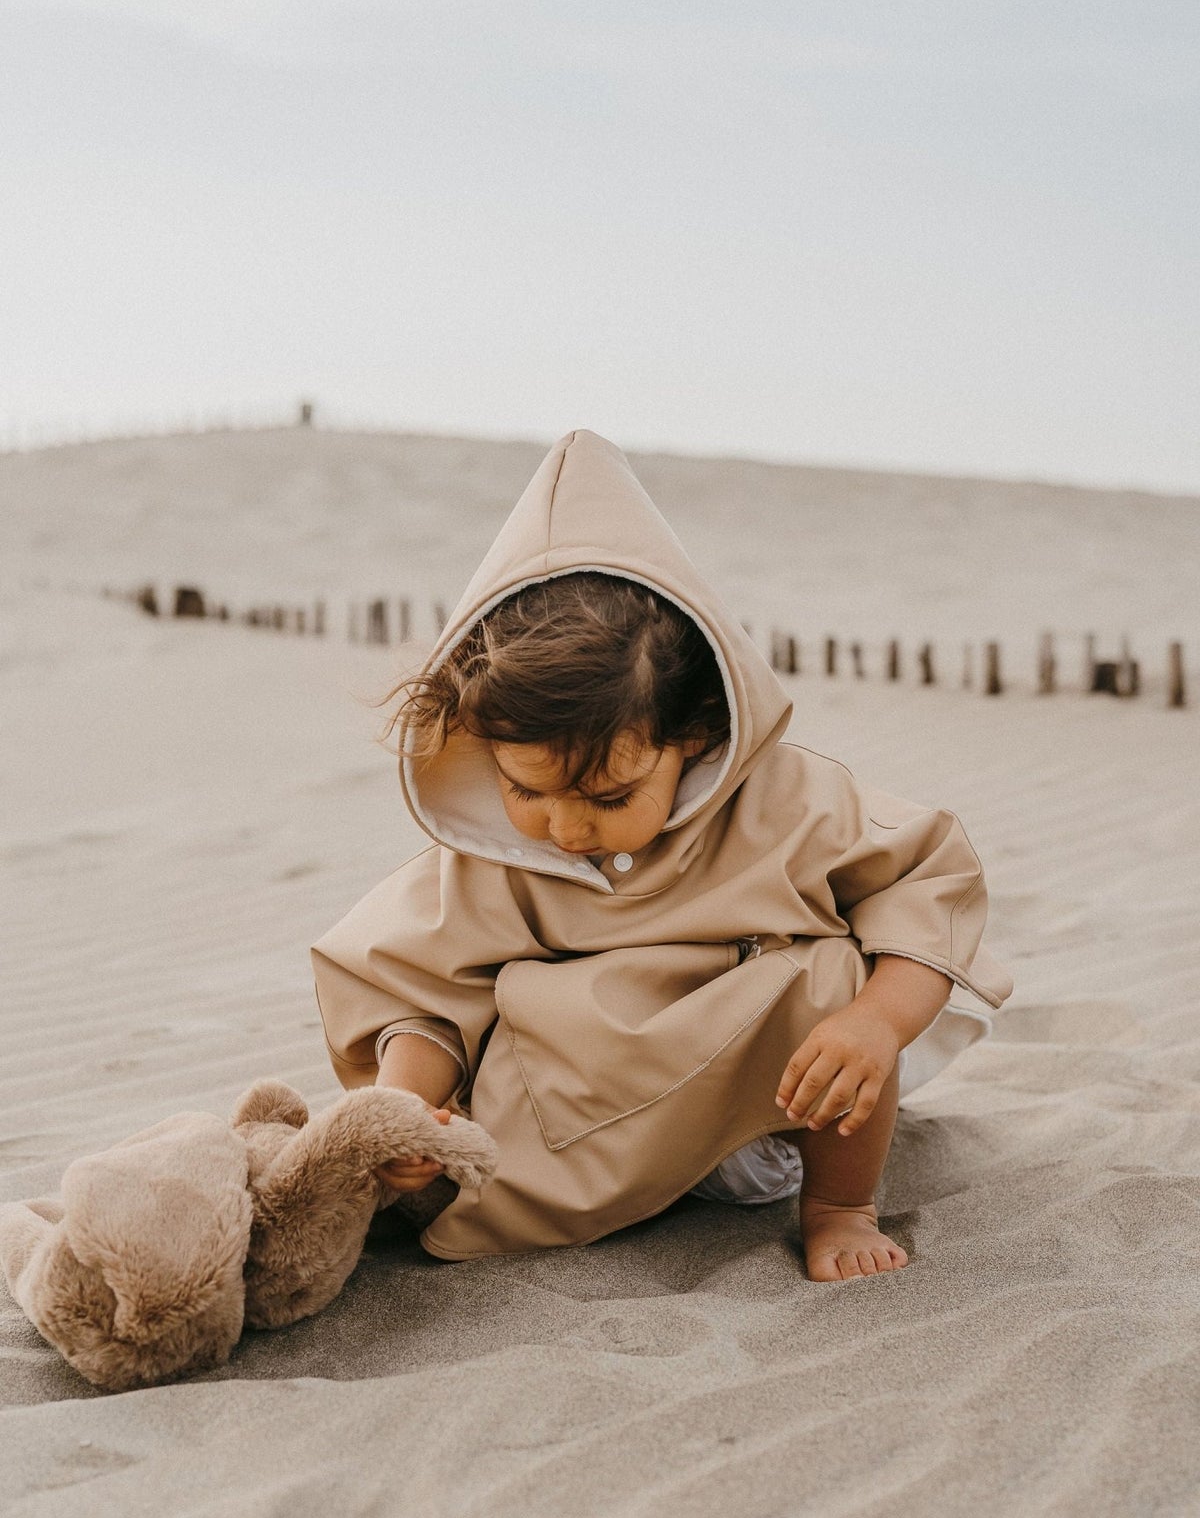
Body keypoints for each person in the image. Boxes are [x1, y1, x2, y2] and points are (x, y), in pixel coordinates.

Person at [310, 430, 1012, 1280]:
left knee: (833, 971)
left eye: (608, 798)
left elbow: (920, 892)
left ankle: (840, 1208)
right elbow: (419, 991)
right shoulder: (485, 861)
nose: (565, 831)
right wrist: (410, 1104)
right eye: (526, 791)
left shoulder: (788, 807)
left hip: (759, 1119)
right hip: (570, 1133)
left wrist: (875, 1022)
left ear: (695, 736)